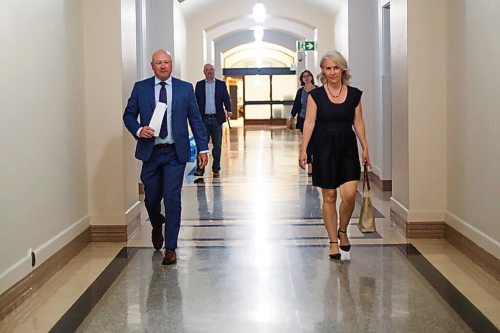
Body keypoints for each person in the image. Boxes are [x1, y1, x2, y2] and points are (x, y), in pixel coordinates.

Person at [123, 49, 209, 265]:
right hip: (150, 152)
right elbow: (129, 115)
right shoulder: (141, 88)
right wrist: (138, 129)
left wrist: (203, 149)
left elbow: (196, 120)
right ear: (152, 65)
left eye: (166, 62)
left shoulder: (184, 89)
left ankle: (171, 247)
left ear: (172, 64)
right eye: (158, 63)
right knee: (151, 198)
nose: (163, 66)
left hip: (174, 153)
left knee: (172, 198)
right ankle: (156, 223)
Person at [299, 51, 371, 260]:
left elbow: (358, 122)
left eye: (336, 68)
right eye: (327, 68)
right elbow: (309, 122)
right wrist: (304, 149)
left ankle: (343, 230)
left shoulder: (355, 94)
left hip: (347, 147)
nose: (332, 72)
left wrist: (365, 147)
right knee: (329, 196)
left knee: (349, 195)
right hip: (324, 148)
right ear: (322, 71)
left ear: (343, 69)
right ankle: (333, 241)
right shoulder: (316, 96)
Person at [193, 64, 232, 178]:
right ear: (204, 72)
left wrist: (229, 109)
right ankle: (200, 169)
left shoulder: (221, 84)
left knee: (217, 146)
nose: (209, 71)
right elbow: (195, 101)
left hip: (217, 119)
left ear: (214, 71)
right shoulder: (199, 85)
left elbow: (226, 98)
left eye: (211, 70)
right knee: (202, 144)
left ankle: (216, 168)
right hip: (203, 119)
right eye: (207, 70)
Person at [288, 70, 317, 175]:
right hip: (303, 120)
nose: (306, 77)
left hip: (317, 120)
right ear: (302, 79)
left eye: (308, 75)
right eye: (304, 76)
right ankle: (309, 165)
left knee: (317, 142)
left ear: (311, 77)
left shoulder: (318, 89)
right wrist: (291, 118)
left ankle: (317, 163)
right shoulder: (300, 92)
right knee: (308, 142)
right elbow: (296, 105)